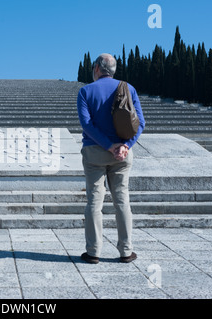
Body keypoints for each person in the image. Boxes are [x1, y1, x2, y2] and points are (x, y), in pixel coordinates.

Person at [77, 53, 145, 264]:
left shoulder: (85, 91)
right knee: (122, 200)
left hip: (95, 153)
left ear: (97, 67)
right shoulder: (128, 88)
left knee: (94, 202)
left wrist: (108, 145)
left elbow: (87, 125)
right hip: (123, 155)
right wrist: (125, 145)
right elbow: (140, 122)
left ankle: (93, 251)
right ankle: (126, 251)